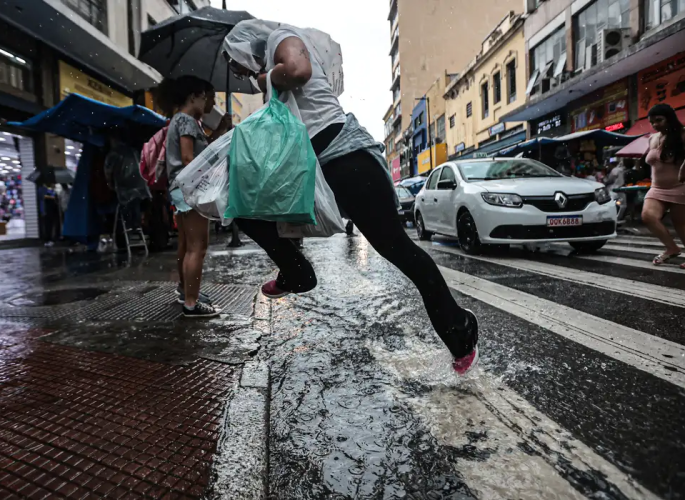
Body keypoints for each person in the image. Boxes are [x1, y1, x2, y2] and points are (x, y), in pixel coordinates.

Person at [222, 20, 479, 374]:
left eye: (238, 65)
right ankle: (296, 271)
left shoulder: (281, 39)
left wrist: (266, 80)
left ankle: (460, 330)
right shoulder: (270, 65)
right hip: (319, 168)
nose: (242, 74)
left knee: (398, 250)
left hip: (348, 161)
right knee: (241, 204)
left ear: (245, 49)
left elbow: (298, 70)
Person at [159, 76, 232, 318]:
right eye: (205, 97)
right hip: (190, 191)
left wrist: (221, 130)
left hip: (180, 190)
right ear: (193, 96)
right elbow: (190, 159)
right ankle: (191, 303)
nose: (207, 103)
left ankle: (185, 291)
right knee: (197, 247)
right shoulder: (188, 121)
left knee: (186, 245)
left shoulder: (179, 120)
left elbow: (197, 153)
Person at [641, 103, 685, 268]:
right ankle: (671, 248)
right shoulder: (652, 138)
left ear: (669, 118)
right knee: (648, 216)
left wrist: (683, 168)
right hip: (657, 188)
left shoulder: (682, 134)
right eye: (652, 122)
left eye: (659, 120)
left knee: (680, 223)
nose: (655, 125)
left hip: (680, 186)